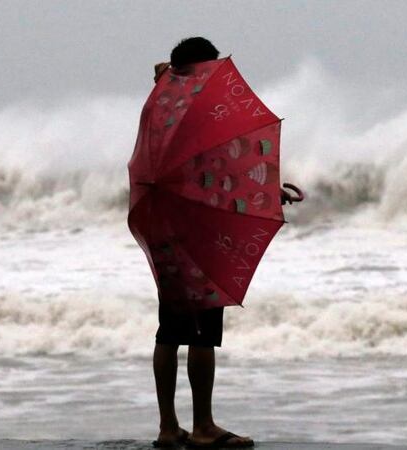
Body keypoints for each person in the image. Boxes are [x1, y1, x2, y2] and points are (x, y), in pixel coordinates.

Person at [150, 37, 256, 449]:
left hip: (162, 226)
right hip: (198, 233)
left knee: (168, 331)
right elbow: (216, 173)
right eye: (209, 69)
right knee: (202, 333)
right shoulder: (200, 116)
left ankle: (167, 427)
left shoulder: (161, 108)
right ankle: (203, 426)